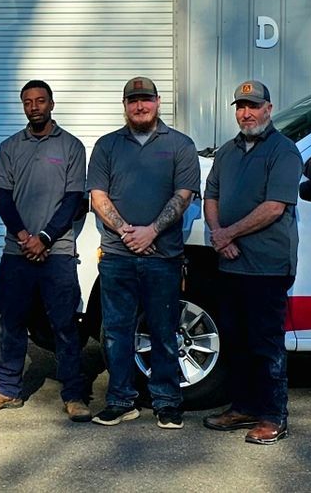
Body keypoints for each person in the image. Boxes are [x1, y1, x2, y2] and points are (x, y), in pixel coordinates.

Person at [0, 80, 93, 421]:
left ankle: (74, 395)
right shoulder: (10, 147)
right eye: (28, 102)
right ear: (23, 106)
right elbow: (2, 198)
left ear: (51, 104)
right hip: (17, 252)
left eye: (40, 100)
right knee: (11, 322)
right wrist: (26, 237)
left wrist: (45, 238)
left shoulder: (71, 146)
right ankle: (7, 389)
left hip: (58, 253)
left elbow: (73, 199)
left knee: (65, 325)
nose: (34, 106)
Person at [86, 76, 201, 429]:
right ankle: (121, 400)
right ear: (124, 105)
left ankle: (167, 401)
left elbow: (183, 196)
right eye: (133, 100)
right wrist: (126, 232)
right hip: (117, 257)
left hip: (163, 256)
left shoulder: (180, 145)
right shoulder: (107, 146)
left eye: (146, 100)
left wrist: (151, 231)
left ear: (158, 101)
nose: (140, 106)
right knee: (116, 332)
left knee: (164, 331)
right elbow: (98, 197)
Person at [202, 80, 303, 445]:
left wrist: (228, 234)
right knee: (235, 341)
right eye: (241, 107)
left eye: (253, 106)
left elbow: (274, 207)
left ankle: (274, 416)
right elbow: (210, 195)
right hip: (230, 264)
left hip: (266, 266)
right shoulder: (227, 152)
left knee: (265, 343)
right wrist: (217, 233)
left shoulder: (284, 151)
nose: (246, 113)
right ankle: (243, 407)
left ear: (268, 109)